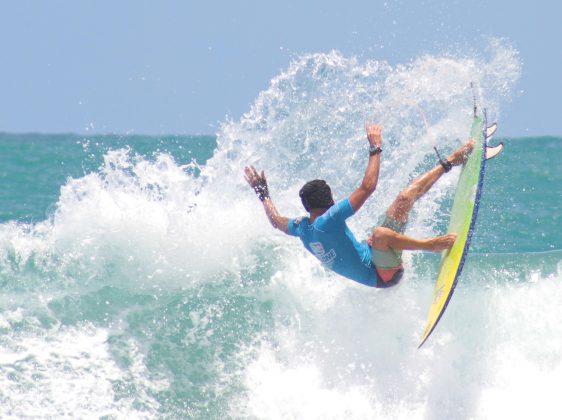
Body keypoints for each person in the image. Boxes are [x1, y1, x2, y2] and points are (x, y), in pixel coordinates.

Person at [244, 124, 474, 288]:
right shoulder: (329, 220)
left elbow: (276, 221)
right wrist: (375, 148)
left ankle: (453, 159)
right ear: (329, 202)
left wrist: (262, 193)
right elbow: (367, 187)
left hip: (374, 254)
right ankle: (431, 245)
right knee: (381, 234)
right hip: (383, 276)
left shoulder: (302, 227)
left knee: (404, 199)